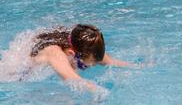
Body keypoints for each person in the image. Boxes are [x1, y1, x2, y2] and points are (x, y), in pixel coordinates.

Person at [2, 25, 131, 93]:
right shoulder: (54, 53)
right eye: (83, 66)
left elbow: (109, 61)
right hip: (10, 79)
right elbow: (73, 79)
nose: (84, 68)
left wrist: (143, 67)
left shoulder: (79, 44)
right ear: (71, 53)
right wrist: (100, 92)